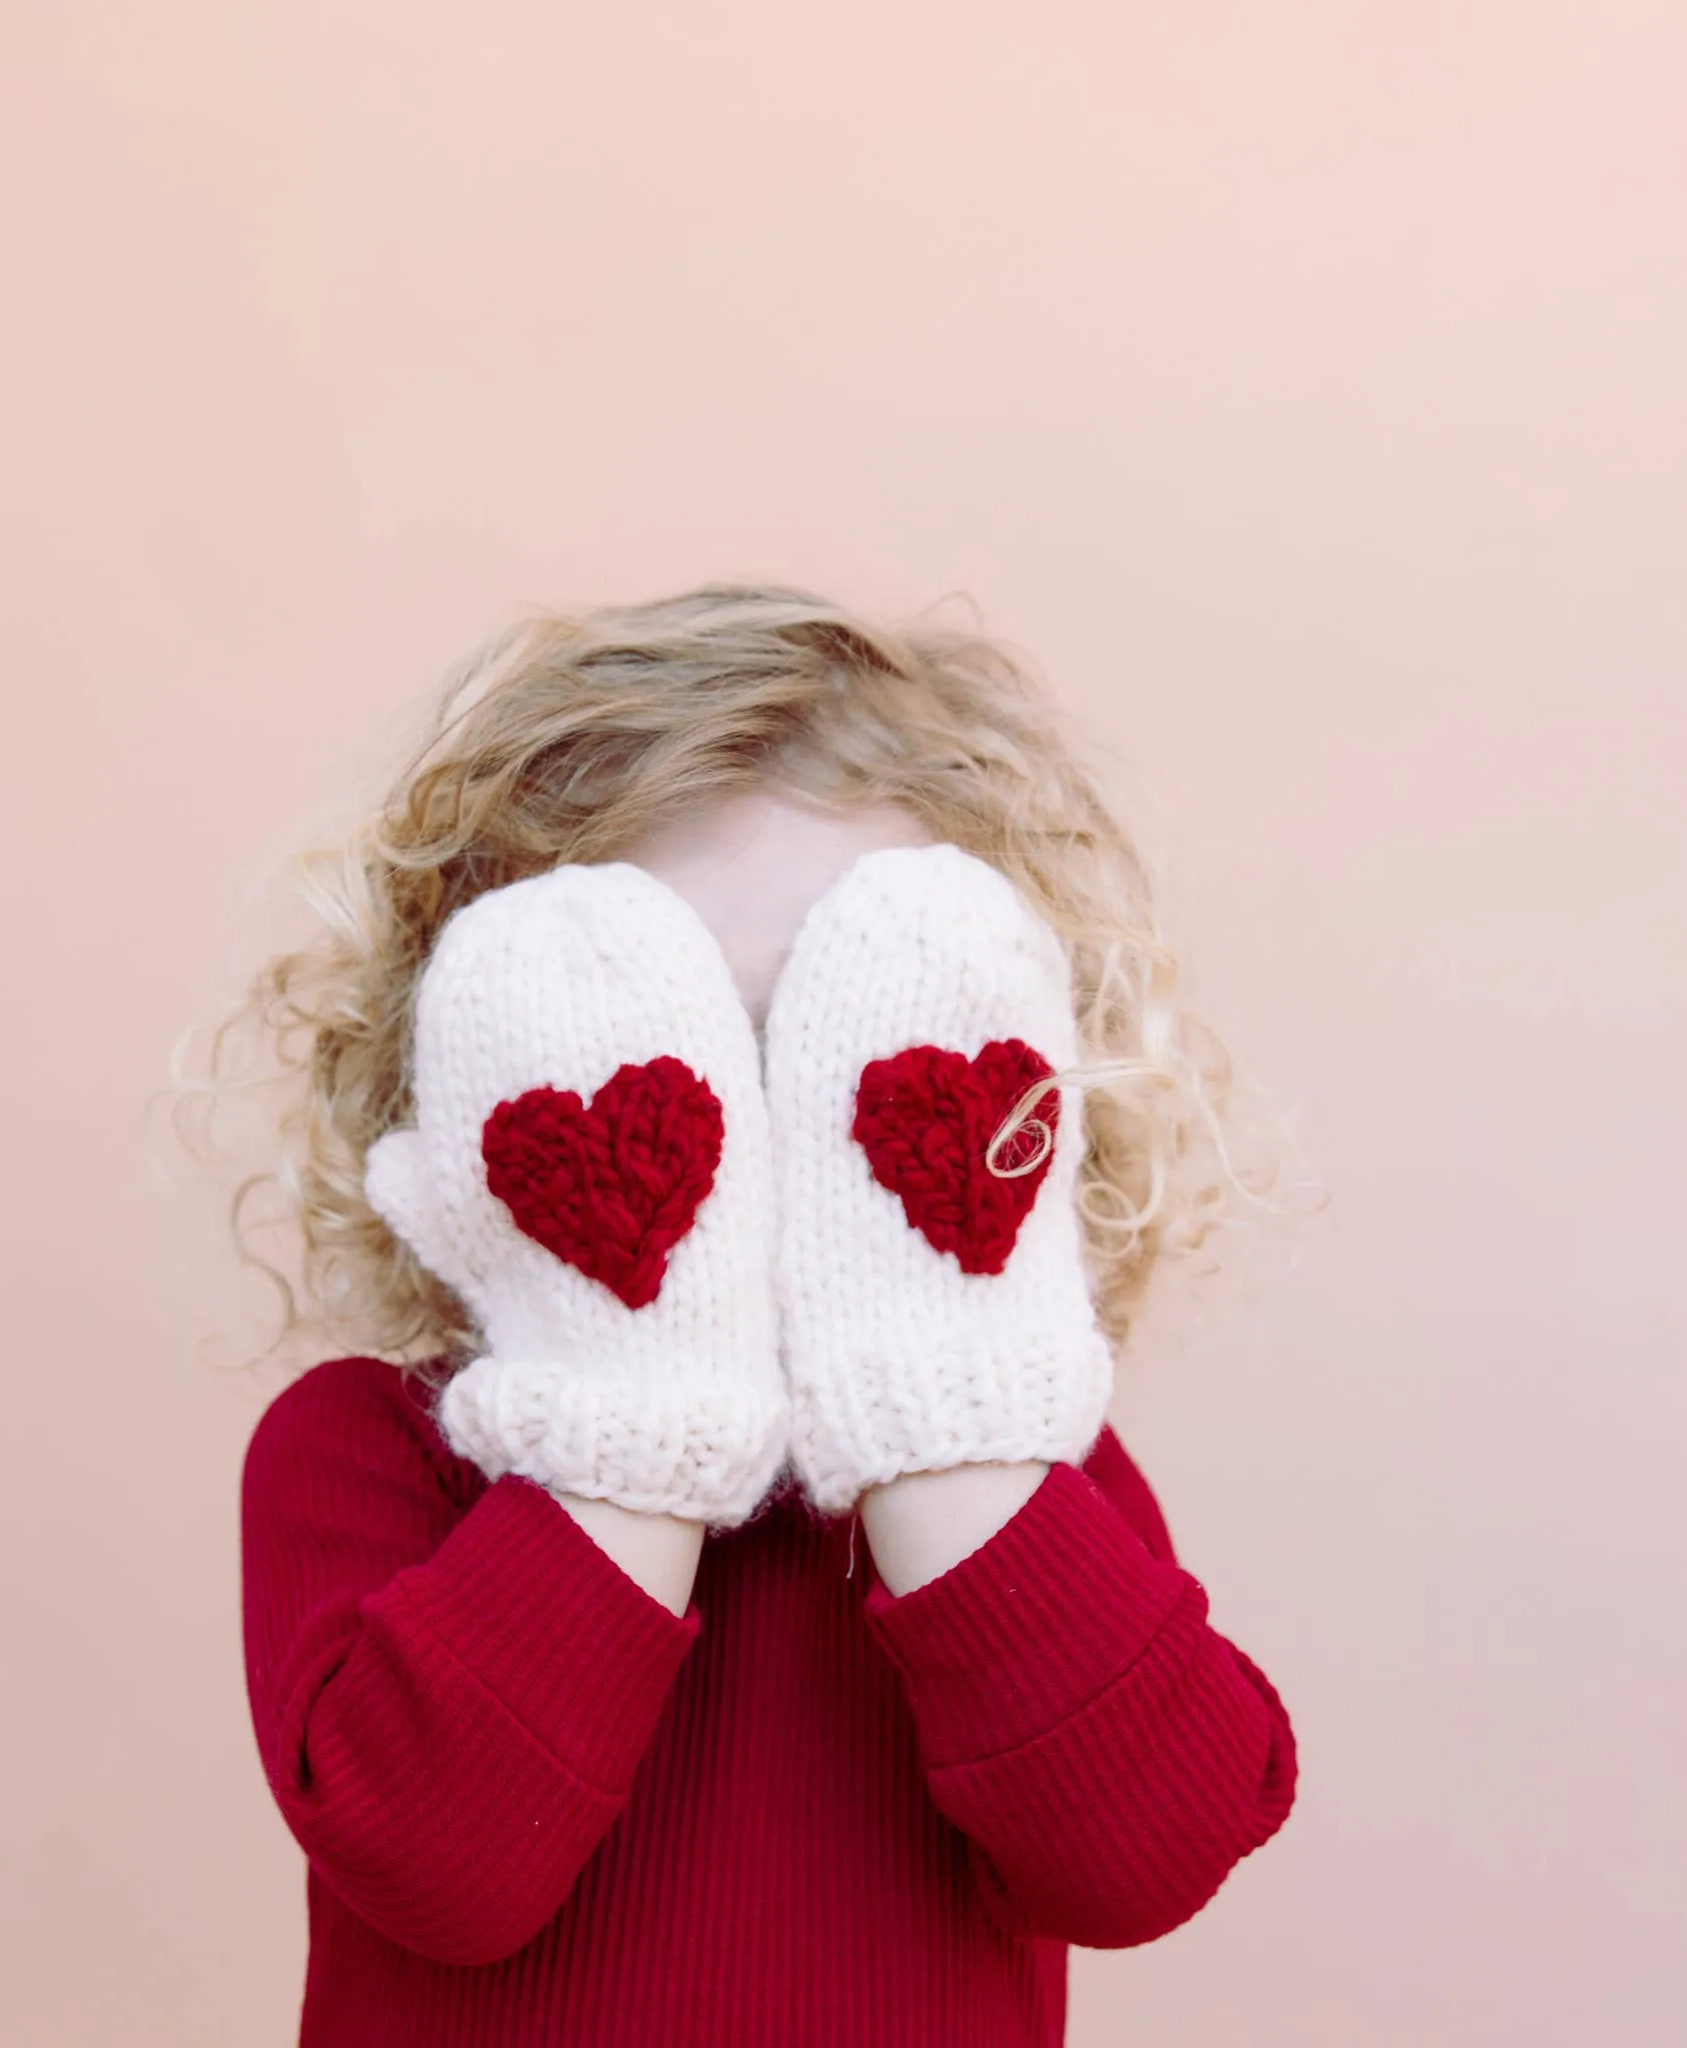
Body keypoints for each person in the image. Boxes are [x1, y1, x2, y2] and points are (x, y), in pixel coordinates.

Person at [222, 584, 1299, 2046]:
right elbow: (440, 1866)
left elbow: (1142, 1859)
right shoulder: (367, 1452)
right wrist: (638, 1383)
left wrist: (938, 1388)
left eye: (843, 1037)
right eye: (673, 1040)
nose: (752, 1114)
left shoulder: (1024, 1492)